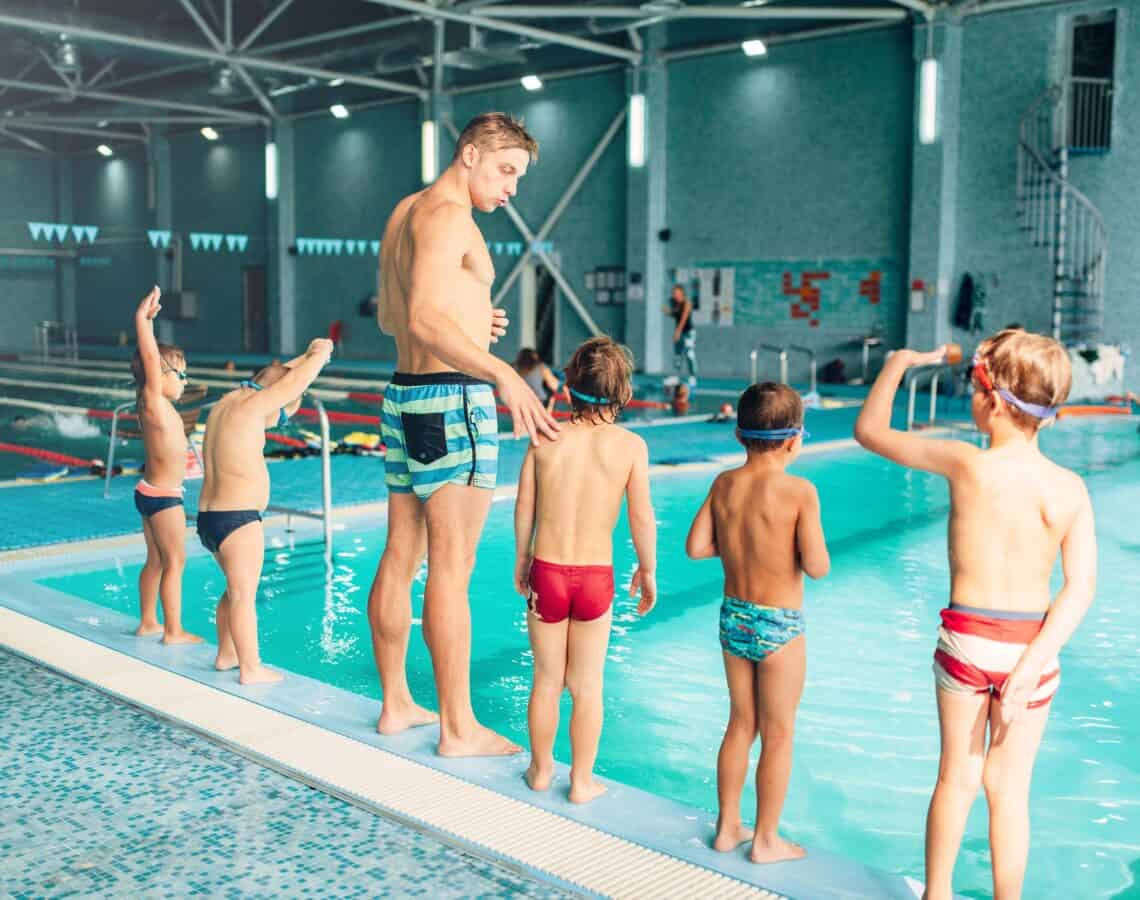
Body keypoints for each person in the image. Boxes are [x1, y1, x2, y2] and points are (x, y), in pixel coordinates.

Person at [854, 330, 1097, 900]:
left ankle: (935, 896)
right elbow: (1080, 587)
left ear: (990, 400)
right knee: (1008, 792)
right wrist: (1032, 667)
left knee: (956, 780)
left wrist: (897, 365)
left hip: (966, 645)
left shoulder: (965, 463)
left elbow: (869, 431)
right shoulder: (1069, 489)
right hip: (1029, 652)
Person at [368, 112, 560, 757]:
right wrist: (501, 370)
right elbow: (423, 315)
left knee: (402, 553)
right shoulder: (451, 216)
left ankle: (396, 704)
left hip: (404, 397)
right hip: (453, 400)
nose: (511, 190)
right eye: (506, 172)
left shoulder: (407, 211)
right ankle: (458, 729)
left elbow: (397, 316)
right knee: (451, 569)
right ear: (471, 154)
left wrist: (476, 319)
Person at [686, 382, 829, 864]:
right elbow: (817, 565)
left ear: (740, 435)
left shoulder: (724, 483)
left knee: (740, 723)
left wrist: (743, 546)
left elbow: (697, 547)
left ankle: (727, 828)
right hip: (780, 625)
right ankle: (766, 840)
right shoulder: (800, 491)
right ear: (794, 439)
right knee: (779, 732)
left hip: (734, 617)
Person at [514, 337, 657, 803]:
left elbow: (524, 509)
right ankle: (581, 781)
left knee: (547, 679)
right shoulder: (631, 446)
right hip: (596, 576)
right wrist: (648, 570)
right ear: (623, 394)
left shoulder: (545, 437)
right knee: (587, 684)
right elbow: (641, 516)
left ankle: (539, 771)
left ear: (569, 386)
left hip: (548, 571)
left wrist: (522, 559)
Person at [197, 339, 334, 685]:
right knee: (244, 596)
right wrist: (321, 354)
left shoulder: (228, 406)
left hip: (210, 519)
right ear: (270, 393)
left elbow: (279, 385)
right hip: (239, 519)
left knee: (232, 590)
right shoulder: (253, 407)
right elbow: (292, 384)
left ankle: (226, 654)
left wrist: (302, 356)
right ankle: (250, 668)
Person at [130, 286, 200, 645]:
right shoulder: (154, 400)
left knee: (155, 560)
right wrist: (143, 321)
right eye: (180, 374)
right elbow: (149, 356)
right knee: (176, 562)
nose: (184, 381)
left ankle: (147, 621)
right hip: (164, 496)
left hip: (148, 491)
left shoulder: (158, 407)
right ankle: (173, 631)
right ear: (158, 373)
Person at [515, 347, 562, 413]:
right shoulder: (541, 368)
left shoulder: (514, 369)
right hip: (539, 402)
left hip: (520, 402)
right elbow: (555, 386)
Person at [667, 284, 697, 385]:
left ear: (681, 293)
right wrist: (668, 312)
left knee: (689, 354)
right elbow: (676, 315)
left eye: (676, 293)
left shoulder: (687, 303)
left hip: (688, 332)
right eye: (673, 293)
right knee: (677, 355)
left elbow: (683, 318)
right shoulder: (675, 304)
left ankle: (693, 377)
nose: (674, 295)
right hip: (679, 332)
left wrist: (677, 331)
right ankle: (676, 376)